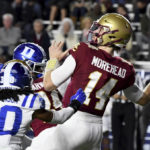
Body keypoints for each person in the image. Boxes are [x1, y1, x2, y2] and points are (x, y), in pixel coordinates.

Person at [27, 13, 150, 150]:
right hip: (96, 130)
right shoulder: (125, 68)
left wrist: (52, 60)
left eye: (102, 29)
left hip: (73, 121)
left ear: (113, 35)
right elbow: (143, 99)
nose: (96, 31)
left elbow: (48, 85)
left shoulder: (84, 51)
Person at [0, 59, 86, 150]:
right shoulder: (31, 100)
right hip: (53, 134)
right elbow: (60, 117)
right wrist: (74, 105)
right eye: (38, 67)